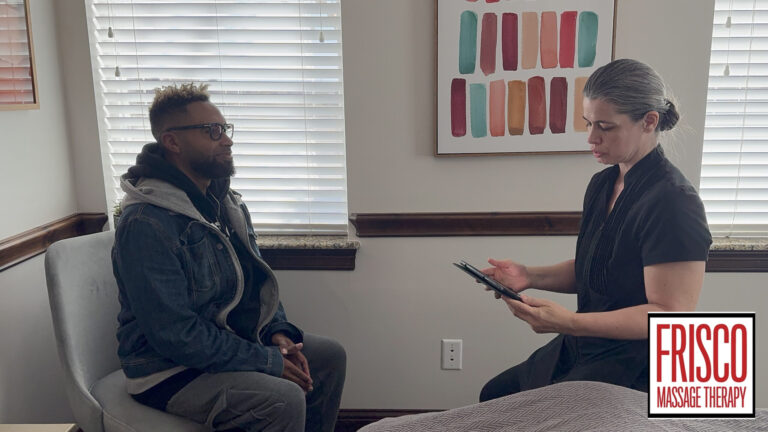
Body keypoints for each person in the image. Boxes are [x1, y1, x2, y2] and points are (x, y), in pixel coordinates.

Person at [112, 83, 346, 431]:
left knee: (328, 357)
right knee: (282, 397)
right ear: (172, 142)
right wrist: (266, 361)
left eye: (225, 129)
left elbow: (256, 284)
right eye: (213, 131)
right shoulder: (147, 223)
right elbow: (175, 335)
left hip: (228, 344)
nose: (227, 140)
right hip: (167, 370)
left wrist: (276, 333)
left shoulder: (225, 205)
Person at [478, 59, 712, 402]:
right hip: (584, 343)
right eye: (588, 123)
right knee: (495, 394)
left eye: (605, 126)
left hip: (637, 362)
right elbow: (600, 267)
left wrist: (569, 322)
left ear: (649, 121)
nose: (591, 137)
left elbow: (669, 315)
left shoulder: (675, 203)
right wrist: (528, 275)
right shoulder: (604, 183)